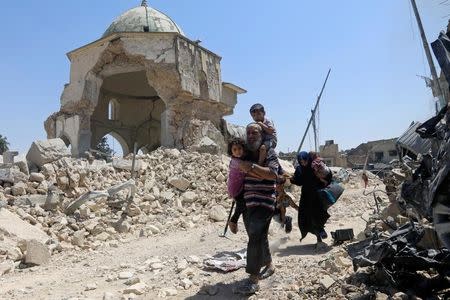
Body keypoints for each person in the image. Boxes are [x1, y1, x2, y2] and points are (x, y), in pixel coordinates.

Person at [235, 123, 279, 295]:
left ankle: (253, 279)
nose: (251, 135)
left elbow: (273, 174)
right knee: (258, 236)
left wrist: (253, 168)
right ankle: (269, 265)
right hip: (248, 202)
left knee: (254, 237)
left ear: (262, 135)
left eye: (255, 132)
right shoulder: (245, 154)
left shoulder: (269, 153)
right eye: (248, 133)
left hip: (264, 202)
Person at [290, 151, 332, 246]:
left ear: (308, 159)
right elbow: (299, 181)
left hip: (317, 195)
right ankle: (319, 237)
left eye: (304, 160)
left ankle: (320, 233)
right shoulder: (299, 169)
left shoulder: (314, 167)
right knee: (308, 217)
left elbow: (324, 177)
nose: (303, 163)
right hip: (306, 197)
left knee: (318, 215)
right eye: (301, 161)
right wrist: (292, 180)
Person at [226, 138, 247, 234]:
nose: (238, 151)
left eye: (239, 148)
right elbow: (248, 169)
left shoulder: (238, 159)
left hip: (238, 185)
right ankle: (233, 220)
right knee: (241, 203)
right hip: (235, 187)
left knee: (242, 203)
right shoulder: (237, 162)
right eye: (235, 150)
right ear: (231, 151)